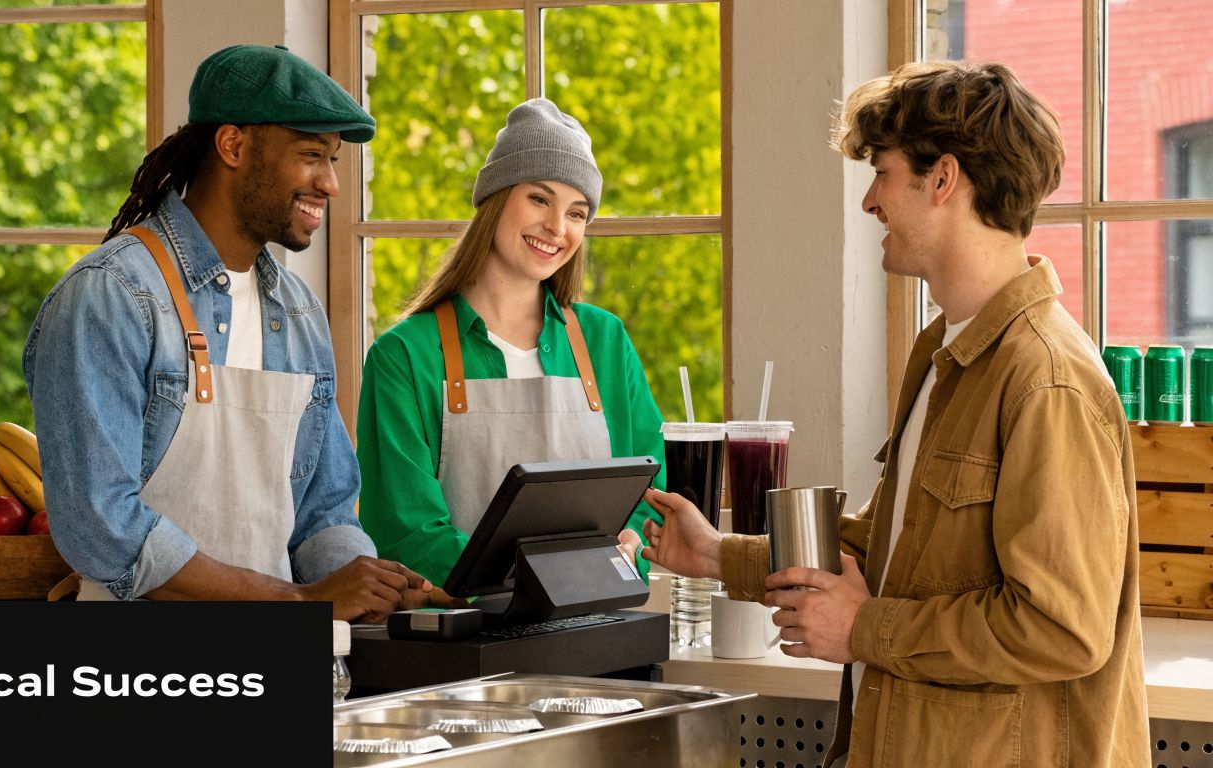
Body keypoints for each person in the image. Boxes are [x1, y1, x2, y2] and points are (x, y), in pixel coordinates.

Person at [642, 61, 1148, 766]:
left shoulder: (1046, 378)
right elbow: (888, 555)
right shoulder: (943, 349)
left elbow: (1062, 628)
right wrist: (716, 555)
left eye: (881, 172)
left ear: (942, 179)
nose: (869, 201)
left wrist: (866, 629)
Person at [23, 44, 438, 622]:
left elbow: (323, 512)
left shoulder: (297, 312)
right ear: (234, 146)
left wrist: (373, 590)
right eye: (312, 155)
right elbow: (100, 524)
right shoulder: (110, 294)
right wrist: (296, 600)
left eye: (333, 160)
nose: (331, 184)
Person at [356, 98, 666, 588]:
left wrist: (632, 543)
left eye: (577, 212)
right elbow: (405, 530)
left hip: (598, 625)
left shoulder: (606, 341)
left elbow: (650, 495)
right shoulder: (404, 356)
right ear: (495, 199)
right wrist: (532, 586)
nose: (557, 228)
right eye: (539, 199)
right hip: (465, 641)